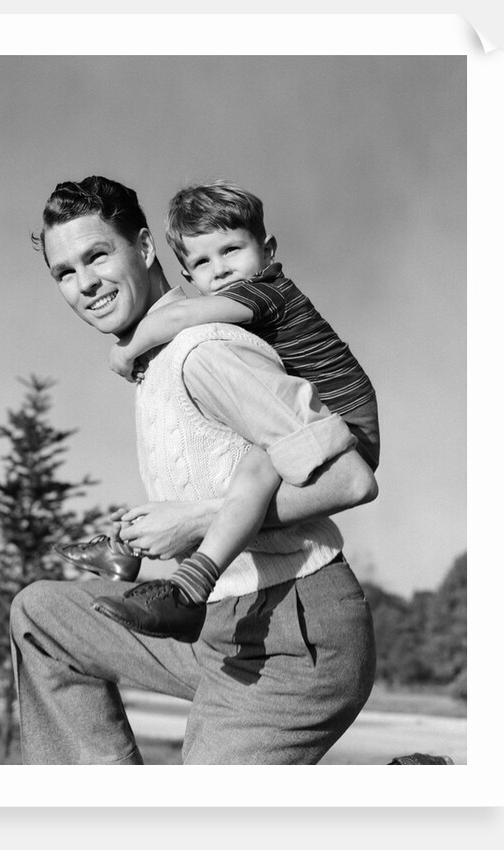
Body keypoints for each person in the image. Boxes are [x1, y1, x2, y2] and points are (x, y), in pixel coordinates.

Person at [10, 175, 378, 764]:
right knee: (43, 616)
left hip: (292, 637)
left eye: (98, 255)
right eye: (64, 272)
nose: (85, 284)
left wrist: (196, 522)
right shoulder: (155, 359)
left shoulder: (203, 348)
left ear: (147, 247)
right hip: (216, 625)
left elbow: (352, 478)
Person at [93, 181, 379, 640]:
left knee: (255, 469)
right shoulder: (246, 302)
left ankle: (189, 586)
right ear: (187, 273)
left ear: (266, 250)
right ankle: (127, 549)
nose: (221, 270)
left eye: (231, 249)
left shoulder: (266, 291)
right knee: (247, 463)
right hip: (323, 415)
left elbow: (179, 317)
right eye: (202, 262)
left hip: (348, 425)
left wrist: (127, 352)